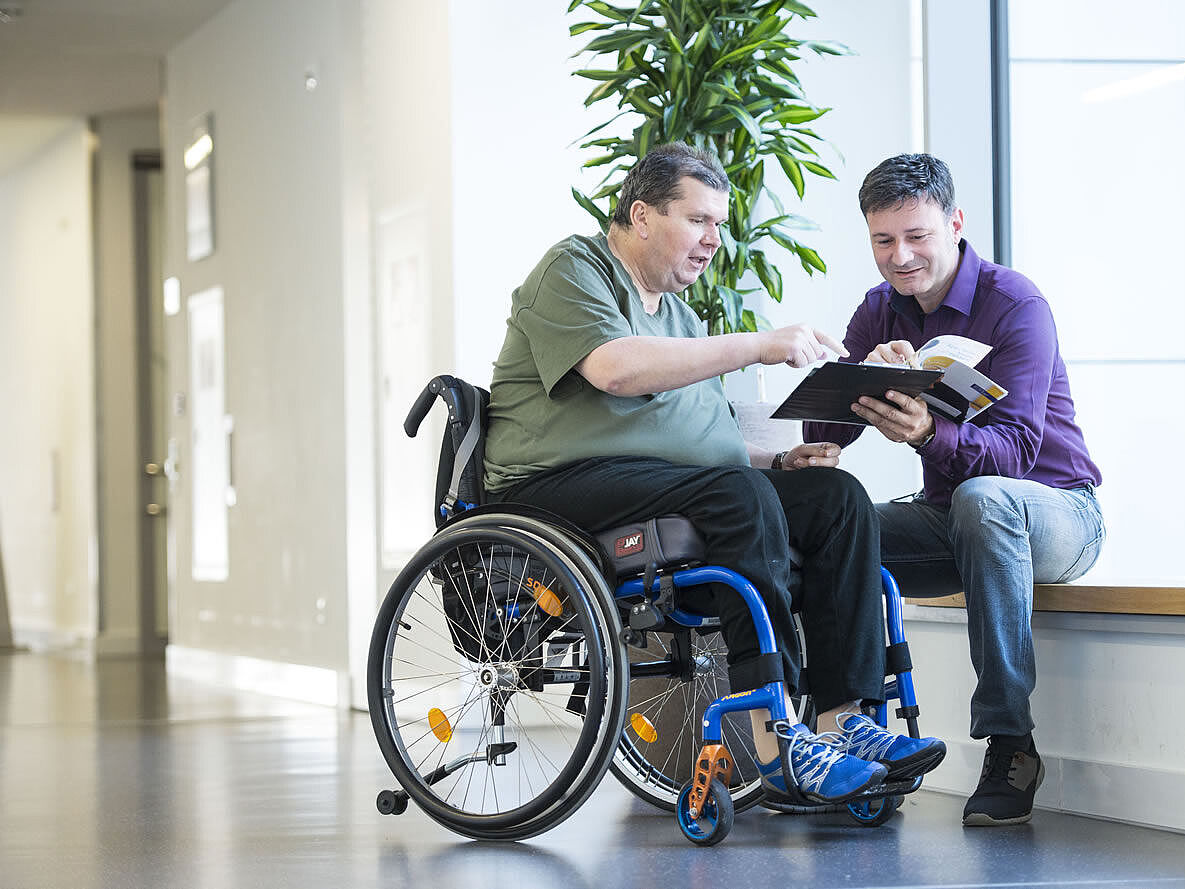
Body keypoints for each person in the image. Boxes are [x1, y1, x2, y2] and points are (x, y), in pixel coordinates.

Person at [482, 142, 946, 805]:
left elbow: (706, 441)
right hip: (548, 487)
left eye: (719, 226)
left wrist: (781, 462)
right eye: (698, 220)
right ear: (641, 216)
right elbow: (613, 369)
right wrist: (761, 343)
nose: (712, 242)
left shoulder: (675, 309)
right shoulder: (574, 267)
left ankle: (842, 718)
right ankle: (771, 732)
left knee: (834, 497)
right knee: (737, 494)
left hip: (655, 484)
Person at [804, 153, 1104, 826]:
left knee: (982, 498)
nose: (900, 255)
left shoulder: (1013, 303)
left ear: (954, 223)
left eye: (916, 236)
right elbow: (824, 427)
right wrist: (857, 373)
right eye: (883, 240)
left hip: (1056, 511)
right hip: (952, 518)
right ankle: (834, 729)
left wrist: (924, 435)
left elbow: (1017, 453)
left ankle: (1009, 741)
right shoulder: (881, 309)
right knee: (829, 523)